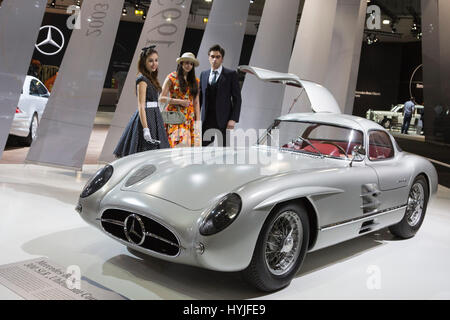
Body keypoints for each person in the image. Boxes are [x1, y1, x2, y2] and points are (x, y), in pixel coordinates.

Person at [113, 46, 170, 158]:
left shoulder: (152, 78)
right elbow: (141, 105)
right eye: (150, 61)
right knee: (143, 153)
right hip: (146, 117)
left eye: (156, 60)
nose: (154, 63)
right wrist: (145, 129)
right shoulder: (142, 80)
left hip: (155, 116)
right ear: (144, 62)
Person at [199, 44, 242, 147]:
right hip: (206, 120)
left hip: (224, 120)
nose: (214, 59)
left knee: (224, 150)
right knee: (200, 148)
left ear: (222, 59)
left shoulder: (231, 74)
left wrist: (233, 119)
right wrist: (195, 117)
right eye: (212, 56)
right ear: (209, 57)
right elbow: (200, 98)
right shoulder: (203, 74)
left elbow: (237, 98)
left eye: (217, 57)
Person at [160, 52, 201, 147]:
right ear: (181, 63)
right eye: (186, 63)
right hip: (174, 114)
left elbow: (196, 102)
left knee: (187, 147)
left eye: (191, 64)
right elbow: (161, 98)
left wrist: (198, 122)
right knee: (174, 143)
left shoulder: (195, 81)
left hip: (189, 117)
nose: (189, 66)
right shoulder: (172, 77)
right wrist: (179, 102)